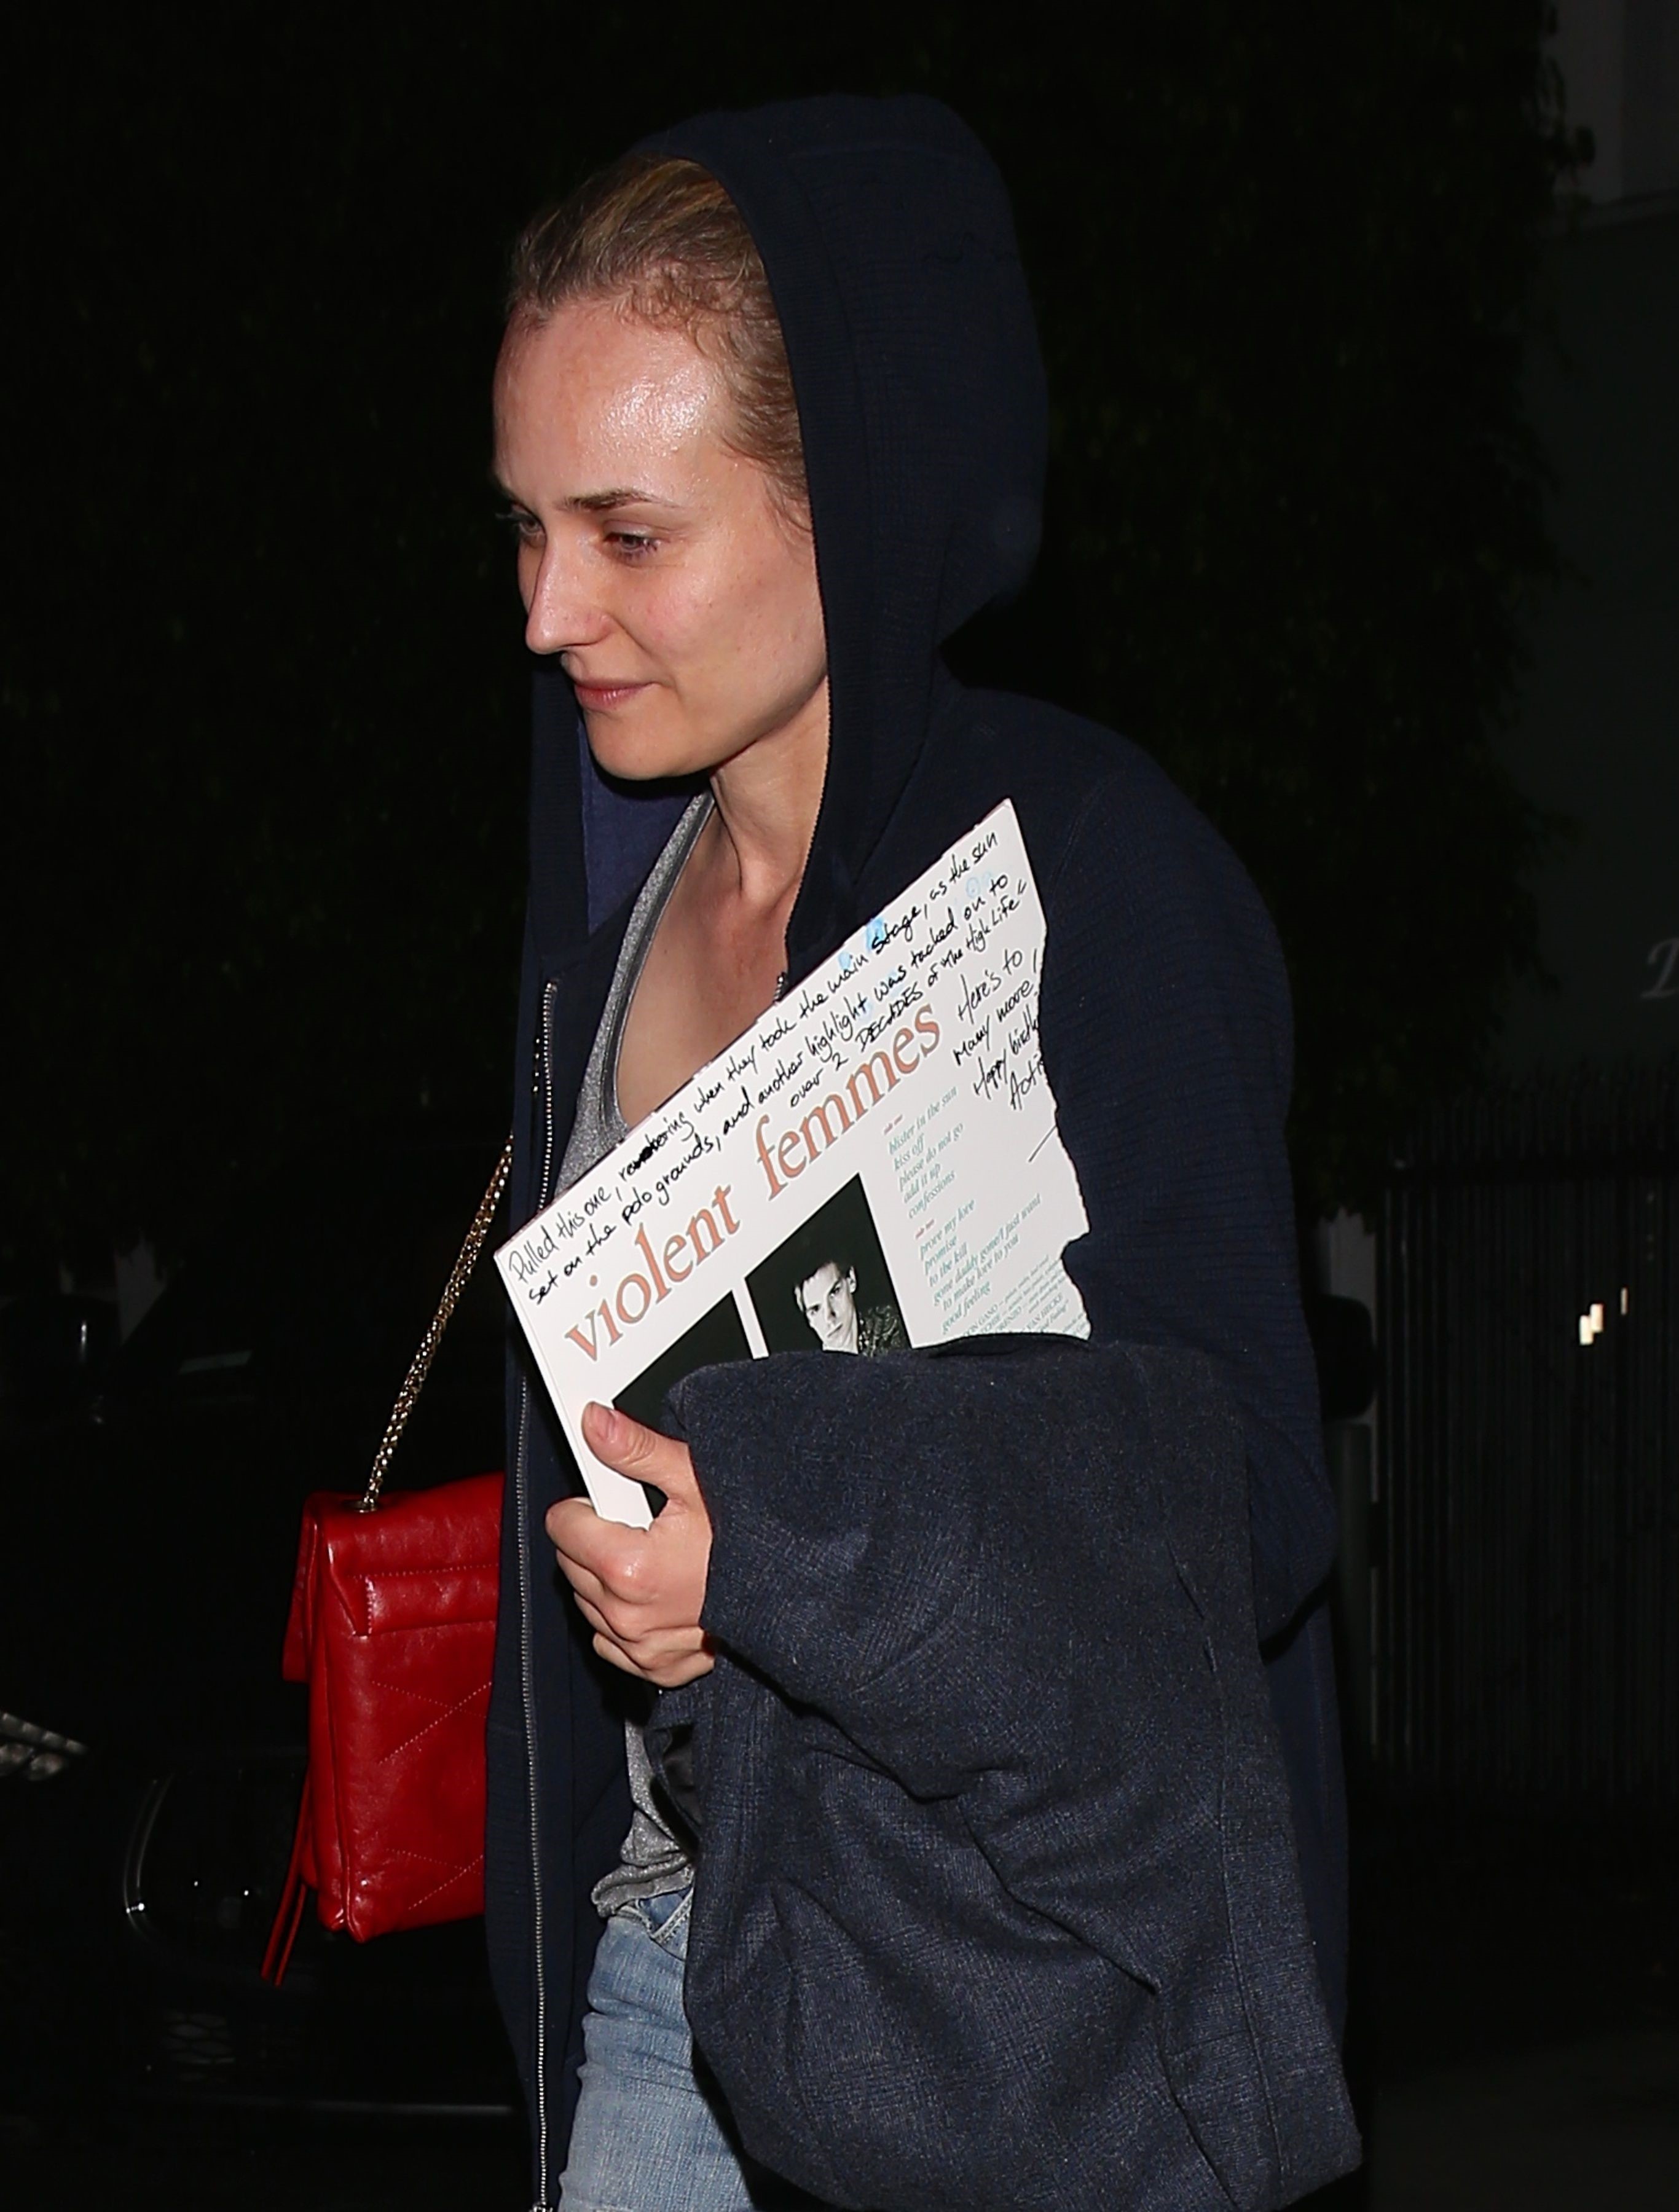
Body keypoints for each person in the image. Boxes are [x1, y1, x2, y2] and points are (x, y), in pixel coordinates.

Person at [486, 96, 1346, 2211]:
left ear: (848, 508)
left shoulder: (1092, 880)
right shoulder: (601, 941)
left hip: (1015, 2010)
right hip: (672, 1958)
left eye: (626, 534)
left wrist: (781, 1549)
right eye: (522, 528)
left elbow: (1243, 1499)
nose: (546, 609)